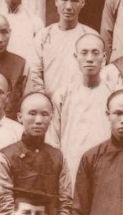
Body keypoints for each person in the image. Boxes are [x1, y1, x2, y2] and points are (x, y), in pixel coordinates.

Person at [0, 93, 73, 215]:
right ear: (20, 117)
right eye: (32, 113)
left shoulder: (58, 157)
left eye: (44, 114)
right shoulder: (4, 157)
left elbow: (65, 202)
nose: (38, 120)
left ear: (51, 118)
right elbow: (2, 204)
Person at [47, 32, 113, 185]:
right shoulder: (63, 94)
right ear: (75, 57)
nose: (89, 58)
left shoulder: (113, 93)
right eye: (84, 53)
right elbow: (53, 138)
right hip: (71, 167)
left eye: (95, 53)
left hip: (107, 167)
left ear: (104, 57)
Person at [28, 0, 100, 98]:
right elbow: (34, 74)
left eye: (74, 0)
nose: (68, 7)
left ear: (82, 3)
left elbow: (98, 73)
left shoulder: (91, 36)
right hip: (50, 103)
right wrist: (43, 101)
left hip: (82, 102)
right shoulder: (43, 36)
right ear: (56, 1)